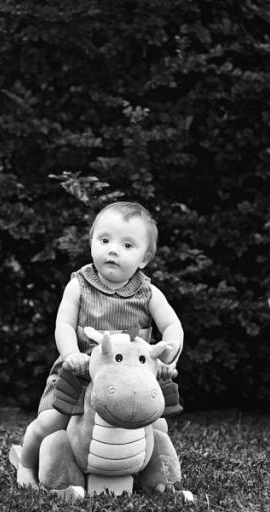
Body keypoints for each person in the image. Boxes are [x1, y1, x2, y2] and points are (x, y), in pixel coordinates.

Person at [16, 201, 184, 488]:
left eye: (127, 245)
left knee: (158, 426)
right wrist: (71, 355)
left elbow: (172, 326)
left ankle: (152, 474)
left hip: (133, 378)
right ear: (92, 242)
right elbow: (64, 325)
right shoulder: (79, 285)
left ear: (145, 258)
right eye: (104, 240)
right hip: (82, 373)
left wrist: (169, 359)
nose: (113, 249)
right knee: (50, 422)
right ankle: (26, 465)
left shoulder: (149, 293)